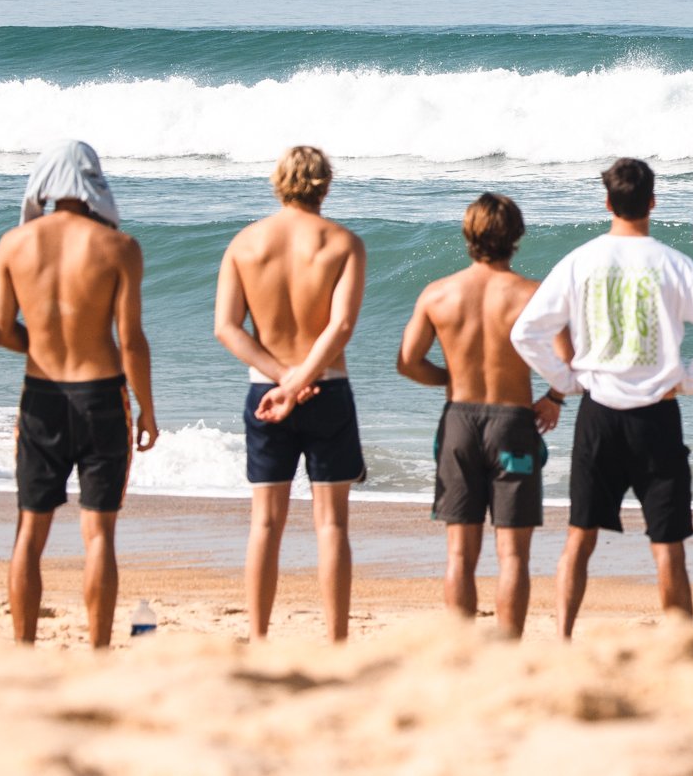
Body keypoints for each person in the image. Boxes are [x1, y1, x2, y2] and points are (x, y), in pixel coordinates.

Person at [510, 157, 693, 639]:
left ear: (608, 202)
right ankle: (680, 646)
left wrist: (567, 380)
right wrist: (690, 379)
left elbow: (526, 332)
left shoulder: (581, 261)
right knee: (668, 545)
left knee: (579, 537)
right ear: (652, 202)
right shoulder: (672, 263)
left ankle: (564, 639)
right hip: (657, 415)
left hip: (599, 414)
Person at [0, 140, 159, 648]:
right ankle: (99, 650)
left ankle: (23, 648)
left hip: (41, 396)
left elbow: (0, 328)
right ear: (92, 183)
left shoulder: (13, 244)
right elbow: (130, 340)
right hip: (102, 397)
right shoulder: (120, 247)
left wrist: (40, 345)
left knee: (30, 530)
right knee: (99, 533)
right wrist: (147, 410)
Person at [212, 146, 367, 644]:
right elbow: (340, 326)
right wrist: (301, 382)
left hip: (266, 392)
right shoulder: (343, 243)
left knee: (265, 523)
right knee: (332, 524)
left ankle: (258, 638)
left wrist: (283, 380)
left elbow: (226, 328)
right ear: (326, 184)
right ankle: (336, 641)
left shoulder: (245, 244)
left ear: (278, 182)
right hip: (327, 388)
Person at [399, 193, 563, 638]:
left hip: (459, 422)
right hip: (512, 424)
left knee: (459, 553)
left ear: (468, 233)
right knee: (512, 556)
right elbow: (568, 360)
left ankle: (461, 651)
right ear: (517, 235)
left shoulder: (438, 294)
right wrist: (554, 397)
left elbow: (408, 362)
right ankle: (507, 650)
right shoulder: (533, 295)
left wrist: (450, 378)